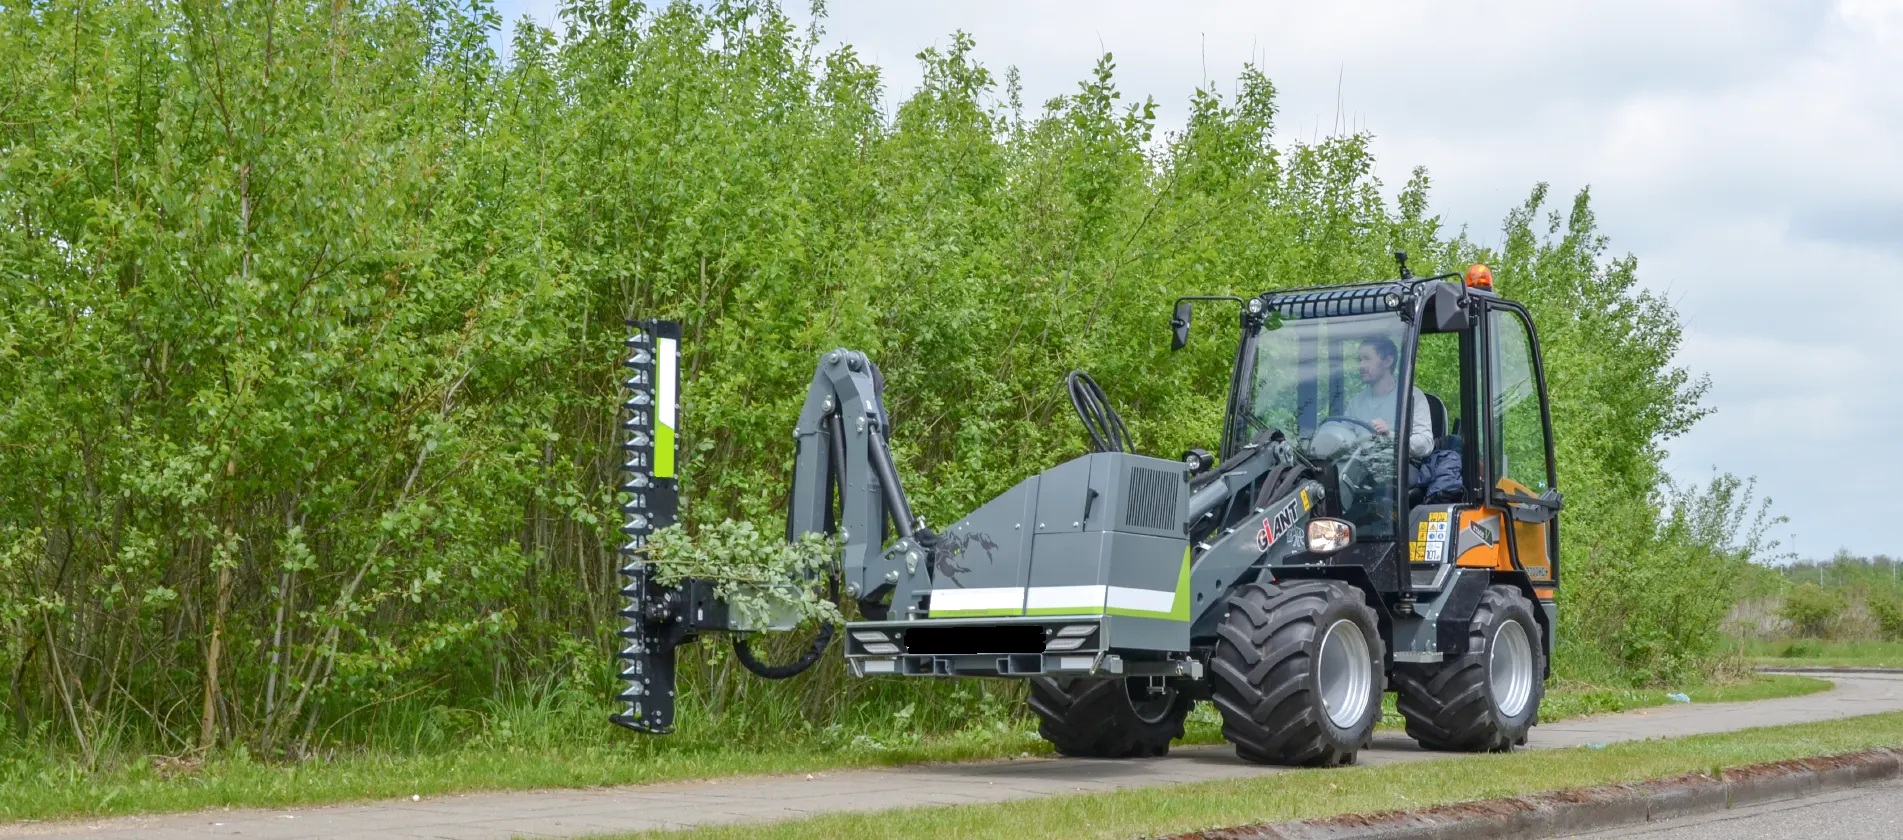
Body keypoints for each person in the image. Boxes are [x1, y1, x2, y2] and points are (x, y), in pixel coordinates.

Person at [1345, 336, 1433, 459]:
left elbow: (1426, 444)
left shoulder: (1411, 396)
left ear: (1388, 361)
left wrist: (1390, 436)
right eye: (1359, 360)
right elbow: (1343, 438)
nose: (1361, 365)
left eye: (1366, 359)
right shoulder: (1355, 403)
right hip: (1357, 471)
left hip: (1398, 471)